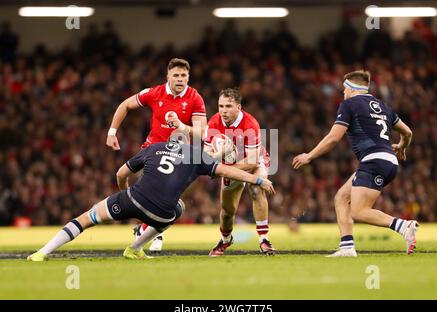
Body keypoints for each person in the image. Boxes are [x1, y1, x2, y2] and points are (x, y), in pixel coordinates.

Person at [27, 139, 275, 261]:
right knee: (178, 208)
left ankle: (42, 252)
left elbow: (121, 174)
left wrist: (123, 198)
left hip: (131, 198)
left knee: (87, 218)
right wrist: (258, 180)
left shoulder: (154, 147)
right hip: (161, 213)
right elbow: (228, 172)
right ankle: (134, 249)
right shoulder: (199, 157)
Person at [292, 70, 418, 257]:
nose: (343, 93)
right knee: (341, 198)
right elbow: (407, 132)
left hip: (373, 160)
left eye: (344, 89)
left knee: (358, 212)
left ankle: (403, 226)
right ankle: (347, 247)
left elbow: (334, 138)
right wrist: (401, 146)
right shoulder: (383, 106)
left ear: (351, 89)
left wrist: (309, 156)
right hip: (388, 161)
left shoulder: (349, 104)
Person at [106, 58, 207, 252]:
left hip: (178, 153)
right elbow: (125, 105)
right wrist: (112, 132)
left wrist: (181, 126)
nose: (180, 79)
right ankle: (148, 228)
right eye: (176, 75)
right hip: (153, 149)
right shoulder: (154, 93)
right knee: (144, 187)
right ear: (168, 76)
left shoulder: (195, 98)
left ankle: (147, 229)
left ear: (188, 77)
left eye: (183, 75)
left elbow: (201, 132)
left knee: (163, 193)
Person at [204, 88, 275, 256]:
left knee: (256, 189)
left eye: (228, 106)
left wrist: (225, 171)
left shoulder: (250, 123)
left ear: (238, 107)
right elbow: (207, 154)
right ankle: (226, 239)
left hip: (254, 159)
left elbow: (251, 161)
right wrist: (215, 159)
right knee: (228, 211)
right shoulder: (214, 122)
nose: (223, 110)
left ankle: (264, 239)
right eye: (221, 106)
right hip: (230, 164)